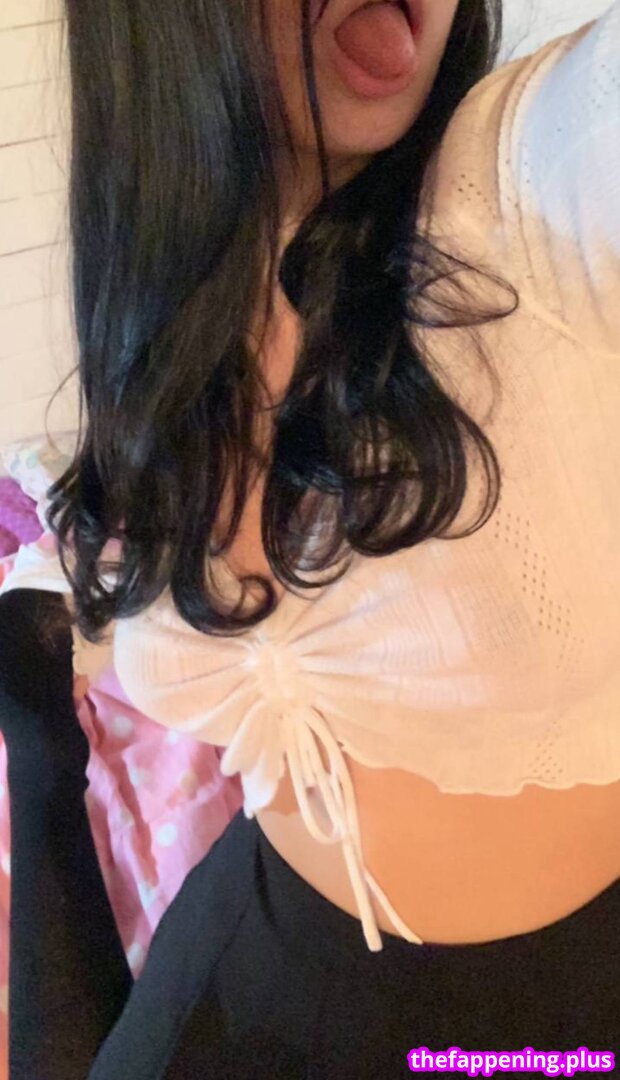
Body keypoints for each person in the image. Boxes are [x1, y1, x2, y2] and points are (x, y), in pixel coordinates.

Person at [0, 0, 619, 1075]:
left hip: (555, 1001)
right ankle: (41, 747)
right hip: (257, 942)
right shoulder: (172, 298)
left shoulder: (531, 179)